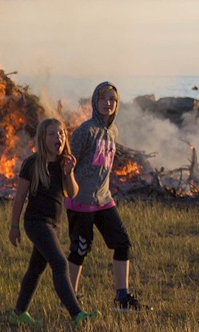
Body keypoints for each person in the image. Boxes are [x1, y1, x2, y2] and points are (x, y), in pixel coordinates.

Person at [66, 82, 152, 312]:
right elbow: (68, 165)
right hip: (81, 201)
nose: (107, 103)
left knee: (122, 242)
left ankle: (122, 298)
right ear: (95, 101)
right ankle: (69, 299)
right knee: (80, 249)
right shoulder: (85, 131)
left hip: (104, 200)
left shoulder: (113, 132)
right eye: (103, 98)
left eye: (112, 99)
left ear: (117, 103)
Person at [9, 119, 101, 328]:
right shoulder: (32, 164)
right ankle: (77, 314)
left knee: (35, 269)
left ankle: (18, 313)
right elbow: (19, 197)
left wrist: (69, 173)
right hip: (35, 223)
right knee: (59, 264)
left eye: (60, 134)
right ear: (42, 138)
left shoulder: (64, 163)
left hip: (54, 224)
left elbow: (72, 192)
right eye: (52, 134)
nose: (57, 138)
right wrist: (14, 227)